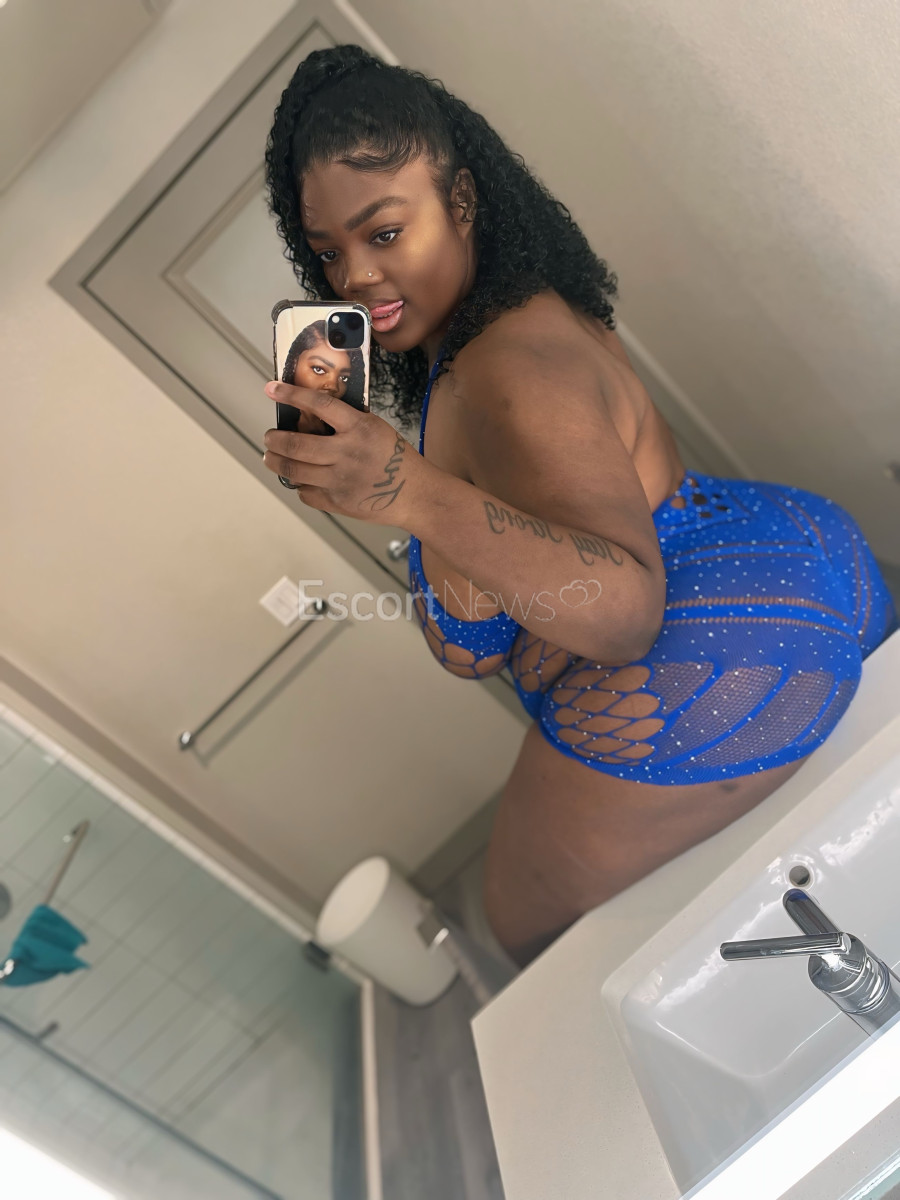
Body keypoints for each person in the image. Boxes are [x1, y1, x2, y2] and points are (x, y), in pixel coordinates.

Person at [261, 45, 898, 968]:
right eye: (329, 251)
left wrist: (407, 492)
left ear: (462, 201)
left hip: (707, 657)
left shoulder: (500, 372)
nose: (355, 277)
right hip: (799, 546)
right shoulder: (527, 309)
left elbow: (627, 615)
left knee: (519, 932)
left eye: (384, 233)